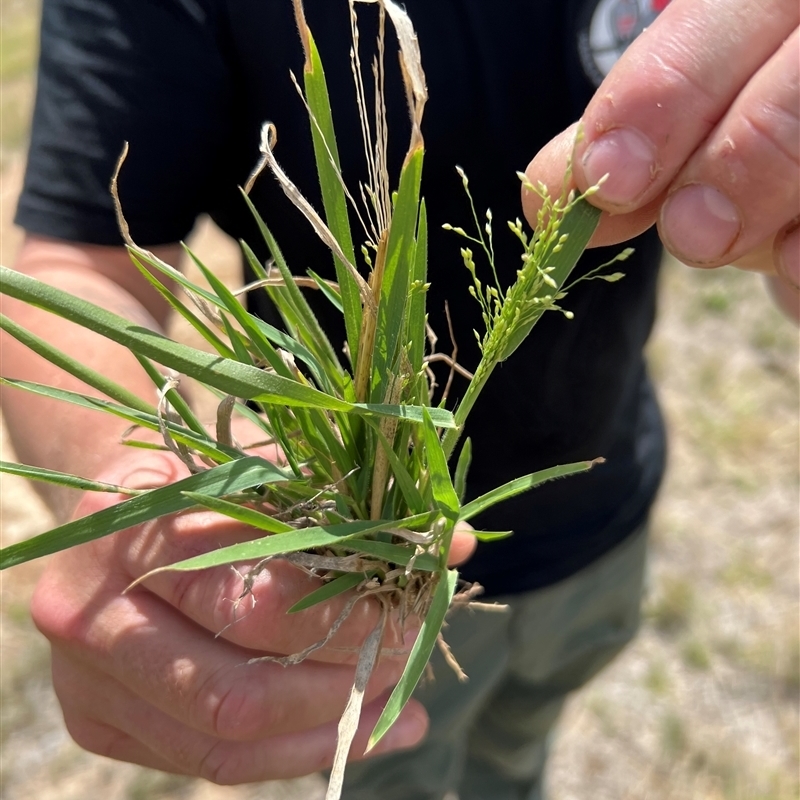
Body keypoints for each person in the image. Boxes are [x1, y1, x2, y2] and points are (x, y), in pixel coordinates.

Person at [2, 0, 797, 798]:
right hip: (362, 590)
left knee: (518, 754)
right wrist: (129, 487)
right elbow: (76, 268)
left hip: (604, 516)